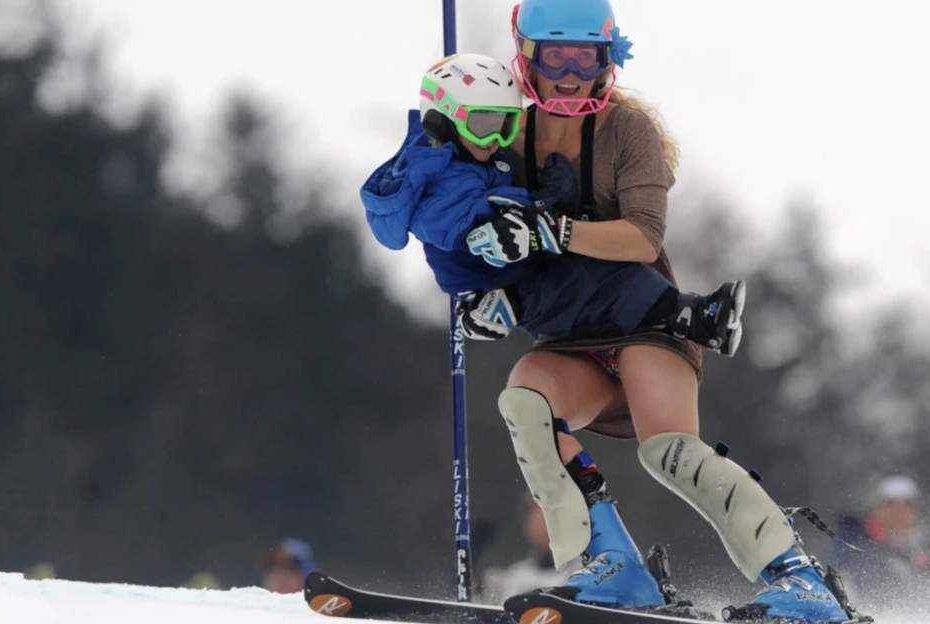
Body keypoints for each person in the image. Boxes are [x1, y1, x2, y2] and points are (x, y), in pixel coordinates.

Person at [457, 1, 870, 622]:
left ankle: (800, 581)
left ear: (607, 59)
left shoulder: (626, 132)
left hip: (645, 322)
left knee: (669, 451)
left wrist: (550, 231)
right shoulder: (509, 133)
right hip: (567, 336)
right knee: (526, 404)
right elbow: (470, 225)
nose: (570, 71)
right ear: (527, 56)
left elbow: (640, 239)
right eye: (555, 55)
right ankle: (614, 569)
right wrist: (486, 294)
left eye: (586, 56)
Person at [361, 53, 746, 355]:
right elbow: (474, 219)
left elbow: (503, 207)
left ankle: (690, 316)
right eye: (482, 125)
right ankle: (690, 317)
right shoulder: (432, 182)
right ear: (443, 120)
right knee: (592, 281)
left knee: (599, 267)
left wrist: (545, 207)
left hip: (515, 264)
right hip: (494, 278)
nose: (495, 138)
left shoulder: (463, 158)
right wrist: (544, 203)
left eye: (505, 125)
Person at [828, 474, 930, 608]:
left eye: (907, 505)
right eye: (891, 504)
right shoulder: (851, 543)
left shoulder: (927, 549)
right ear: (876, 508)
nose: (899, 512)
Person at [481, 493, 578, 602]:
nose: (547, 527)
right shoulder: (515, 578)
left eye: (554, 518)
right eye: (541, 519)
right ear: (528, 525)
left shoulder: (587, 574)